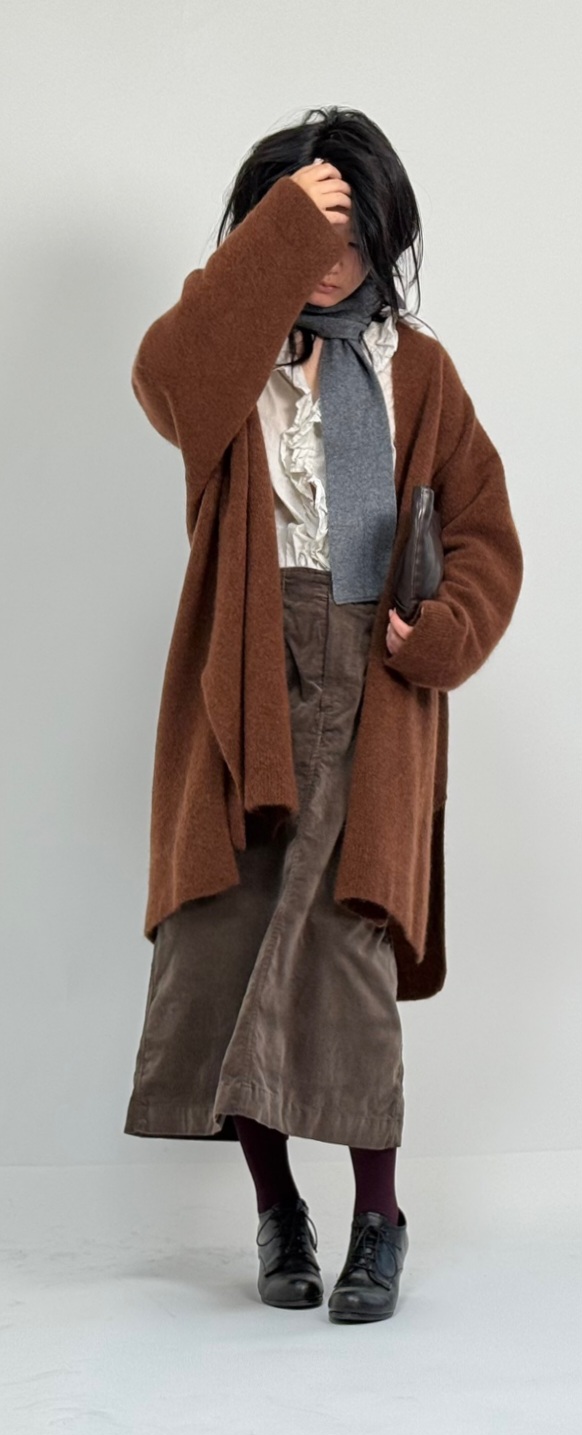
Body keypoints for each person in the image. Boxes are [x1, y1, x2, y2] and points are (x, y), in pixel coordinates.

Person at [123, 106, 524, 1325]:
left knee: (349, 953)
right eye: (311, 229)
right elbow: (164, 377)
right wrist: (280, 230)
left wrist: (442, 629)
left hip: (376, 686)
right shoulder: (228, 359)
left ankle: (379, 1220)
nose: (334, 257)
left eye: (353, 231)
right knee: (233, 934)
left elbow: (485, 532)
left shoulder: (418, 369)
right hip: (245, 681)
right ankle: (278, 1208)